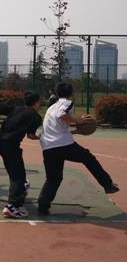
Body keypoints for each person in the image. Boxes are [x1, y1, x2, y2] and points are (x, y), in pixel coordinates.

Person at [38, 82, 119, 215]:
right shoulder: (67, 102)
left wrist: (75, 131)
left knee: (53, 178)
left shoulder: (51, 107)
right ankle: (108, 184)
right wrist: (79, 121)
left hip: (48, 147)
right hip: (62, 145)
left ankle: (43, 206)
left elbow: (57, 127)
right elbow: (61, 115)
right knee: (88, 158)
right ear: (71, 93)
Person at [0, 92, 42, 219]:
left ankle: (20, 188)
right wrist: (40, 137)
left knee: (14, 171)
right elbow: (30, 135)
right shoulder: (36, 117)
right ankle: (12, 206)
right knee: (18, 176)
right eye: (39, 102)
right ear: (36, 103)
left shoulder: (17, 108)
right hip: (10, 145)